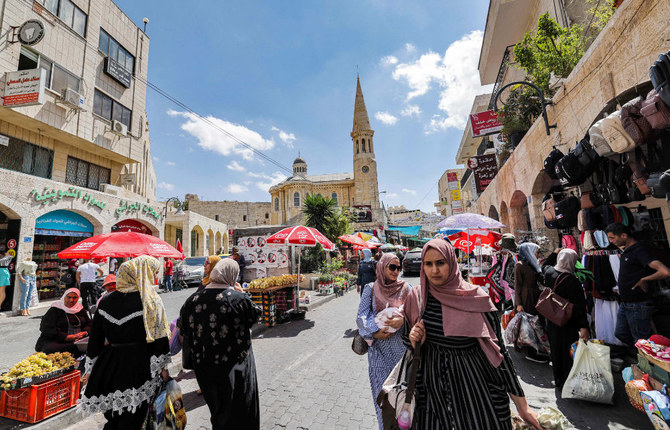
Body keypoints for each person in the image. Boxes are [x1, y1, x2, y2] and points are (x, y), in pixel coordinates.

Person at [404, 239, 542, 430]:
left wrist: (522, 406)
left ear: (452, 263)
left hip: (476, 390)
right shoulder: (418, 297)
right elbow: (406, 338)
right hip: (432, 393)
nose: (434, 270)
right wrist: (413, 338)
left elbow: (500, 353)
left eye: (440, 263)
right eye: (428, 264)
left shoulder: (476, 298)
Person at [80, 256, 171, 429]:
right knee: (135, 417)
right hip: (139, 365)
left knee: (114, 416)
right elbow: (159, 339)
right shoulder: (150, 301)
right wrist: (163, 369)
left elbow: (96, 339)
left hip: (110, 364)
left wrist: (90, 369)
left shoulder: (105, 301)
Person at [178, 258, 261, 429]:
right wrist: (244, 294)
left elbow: (182, 328)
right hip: (235, 368)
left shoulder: (192, 300)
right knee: (240, 411)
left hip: (205, 369)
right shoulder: (238, 298)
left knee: (218, 412)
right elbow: (254, 316)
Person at [357, 253, 411, 430]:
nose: (396, 271)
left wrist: (403, 320)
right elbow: (362, 316)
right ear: (382, 266)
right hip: (378, 355)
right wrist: (375, 331)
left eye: (398, 267)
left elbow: (414, 313)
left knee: (402, 399)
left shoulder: (406, 289)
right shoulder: (371, 289)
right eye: (392, 267)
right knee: (383, 401)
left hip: (401, 355)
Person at [605, 223, 670, 347]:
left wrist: (644, 279)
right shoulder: (627, 250)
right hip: (626, 303)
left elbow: (665, 271)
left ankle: (647, 361)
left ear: (624, 235)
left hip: (638, 304)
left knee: (641, 340)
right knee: (621, 333)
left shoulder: (639, 251)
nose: (610, 241)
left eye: (612, 238)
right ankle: (642, 354)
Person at [541, 248, 590, 389]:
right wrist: (584, 327)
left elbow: (544, 266)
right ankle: (569, 380)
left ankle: (558, 379)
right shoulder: (572, 281)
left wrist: (554, 253)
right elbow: (579, 307)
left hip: (551, 318)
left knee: (555, 348)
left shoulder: (549, 273)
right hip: (568, 322)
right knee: (568, 350)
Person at [514, 242, 548, 363]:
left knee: (536, 324)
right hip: (526, 298)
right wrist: (518, 304)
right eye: (536, 252)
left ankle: (538, 349)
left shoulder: (533, 264)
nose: (538, 255)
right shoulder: (520, 265)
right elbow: (517, 286)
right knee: (528, 326)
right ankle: (529, 352)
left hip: (535, 296)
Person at [35, 288, 91, 356]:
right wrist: (67, 337)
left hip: (79, 340)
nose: (71, 300)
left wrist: (84, 332)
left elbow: (89, 323)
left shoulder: (80, 309)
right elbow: (46, 328)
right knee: (52, 349)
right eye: (69, 297)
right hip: (59, 340)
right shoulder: (55, 309)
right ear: (64, 297)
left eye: (75, 298)